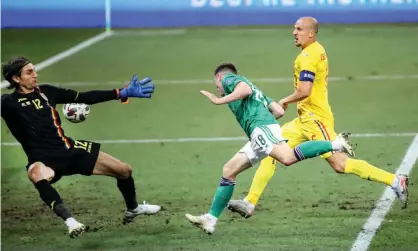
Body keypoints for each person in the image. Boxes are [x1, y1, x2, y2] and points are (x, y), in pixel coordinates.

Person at [227, 17, 409, 219]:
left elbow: (304, 90)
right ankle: (249, 202)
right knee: (273, 152)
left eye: (299, 29)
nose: (294, 32)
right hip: (303, 120)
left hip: (315, 120)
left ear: (311, 33)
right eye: (294, 29)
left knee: (341, 165)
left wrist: (284, 101)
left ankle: (394, 180)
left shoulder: (307, 57)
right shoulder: (317, 50)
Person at [185, 62, 354, 234]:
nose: (218, 89)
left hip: (261, 129)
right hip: (260, 131)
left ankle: (336, 143)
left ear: (219, 77)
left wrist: (218, 100)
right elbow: (279, 111)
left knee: (287, 158)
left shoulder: (229, 78)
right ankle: (210, 220)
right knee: (229, 170)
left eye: (216, 85)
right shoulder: (257, 90)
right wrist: (262, 118)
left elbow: (245, 91)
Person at [1, 57, 161, 238]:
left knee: (124, 170)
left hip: (69, 149)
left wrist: (121, 93)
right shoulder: (7, 103)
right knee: (36, 174)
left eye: (34, 70)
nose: (35, 75)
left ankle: (133, 208)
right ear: (16, 78)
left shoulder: (47, 92)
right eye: (29, 72)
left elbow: (84, 97)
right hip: (44, 160)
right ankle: (71, 222)